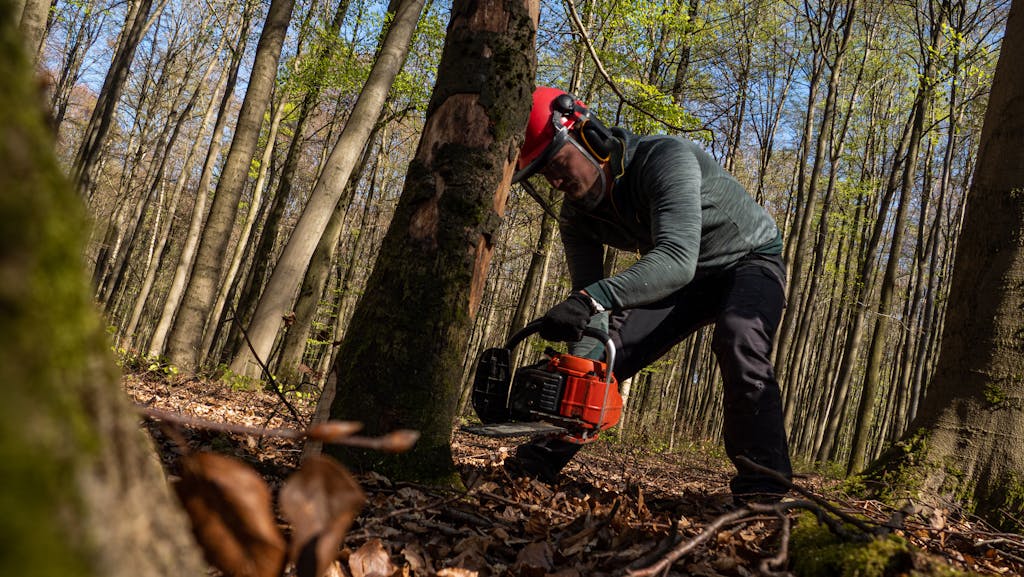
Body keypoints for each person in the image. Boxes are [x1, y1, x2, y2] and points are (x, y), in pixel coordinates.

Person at [505, 86, 792, 504]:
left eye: (557, 162)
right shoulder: (576, 216)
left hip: (748, 260)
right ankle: (537, 462)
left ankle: (763, 488)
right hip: (686, 280)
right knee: (605, 352)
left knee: (739, 338)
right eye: (543, 174)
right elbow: (594, 306)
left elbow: (675, 258)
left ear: (589, 137)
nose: (555, 180)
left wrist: (590, 300)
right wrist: (585, 337)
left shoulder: (664, 159)